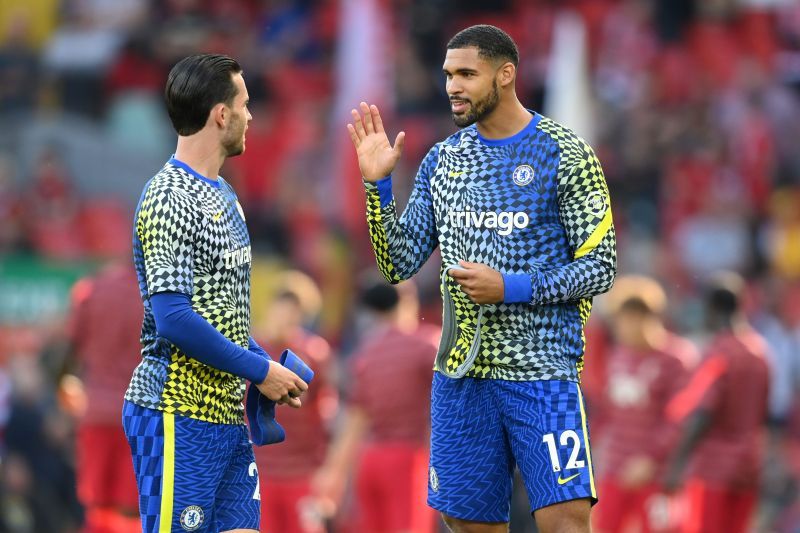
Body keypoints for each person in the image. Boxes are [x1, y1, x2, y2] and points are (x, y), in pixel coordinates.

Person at [348, 24, 616, 533]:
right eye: (449, 74)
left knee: (566, 520)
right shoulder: (444, 160)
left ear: (506, 74)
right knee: (467, 523)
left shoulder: (564, 153)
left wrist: (509, 287)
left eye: (467, 74)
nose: (453, 85)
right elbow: (397, 264)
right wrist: (377, 186)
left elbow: (600, 267)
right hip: (462, 374)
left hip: (541, 368)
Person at [122, 53, 308, 533]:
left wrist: (268, 366)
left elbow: (223, 317)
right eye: (244, 104)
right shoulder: (169, 196)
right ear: (221, 114)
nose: (252, 116)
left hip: (227, 419)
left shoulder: (225, 195)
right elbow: (174, 319)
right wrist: (258, 369)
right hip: (174, 412)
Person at [311, 279, 438, 533]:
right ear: (409, 301)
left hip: (369, 461)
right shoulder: (428, 345)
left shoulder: (366, 353)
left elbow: (355, 421)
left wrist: (332, 474)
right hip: (409, 459)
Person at [663, 272, 770, 533]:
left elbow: (703, 412)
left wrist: (676, 464)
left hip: (714, 470)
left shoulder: (720, 352)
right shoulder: (761, 351)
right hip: (749, 467)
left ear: (712, 308)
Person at [591, 275, 697, 533]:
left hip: (658, 475)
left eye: (623, 321)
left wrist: (650, 459)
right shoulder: (618, 356)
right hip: (615, 468)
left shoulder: (677, 359)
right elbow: (609, 412)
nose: (619, 329)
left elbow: (680, 420)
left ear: (643, 318)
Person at [251, 272, 336, 533]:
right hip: (257, 471)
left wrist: (327, 469)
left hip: (302, 473)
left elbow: (327, 415)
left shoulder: (314, 354)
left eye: (297, 313)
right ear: (271, 307)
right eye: (284, 309)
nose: (288, 318)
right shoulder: (248, 350)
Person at [63, 261, 143, 533]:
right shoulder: (162, 297)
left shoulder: (92, 290)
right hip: (143, 416)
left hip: (96, 412)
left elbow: (64, 354)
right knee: (134, 507)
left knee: (97, 505)